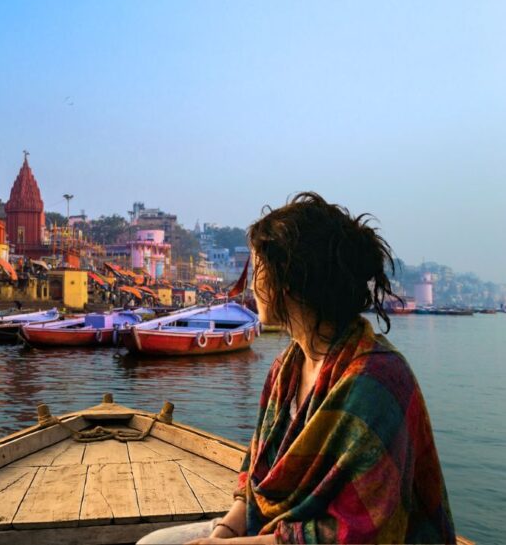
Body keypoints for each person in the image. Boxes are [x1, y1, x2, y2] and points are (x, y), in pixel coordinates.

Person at [138, 193, 455, 545]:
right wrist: (224, 532)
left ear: (286, 282)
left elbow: (360, 532)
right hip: (272, 529)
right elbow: (255, 477)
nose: (251, 286)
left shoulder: (378, 382)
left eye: (257, 271)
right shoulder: (285, 371)